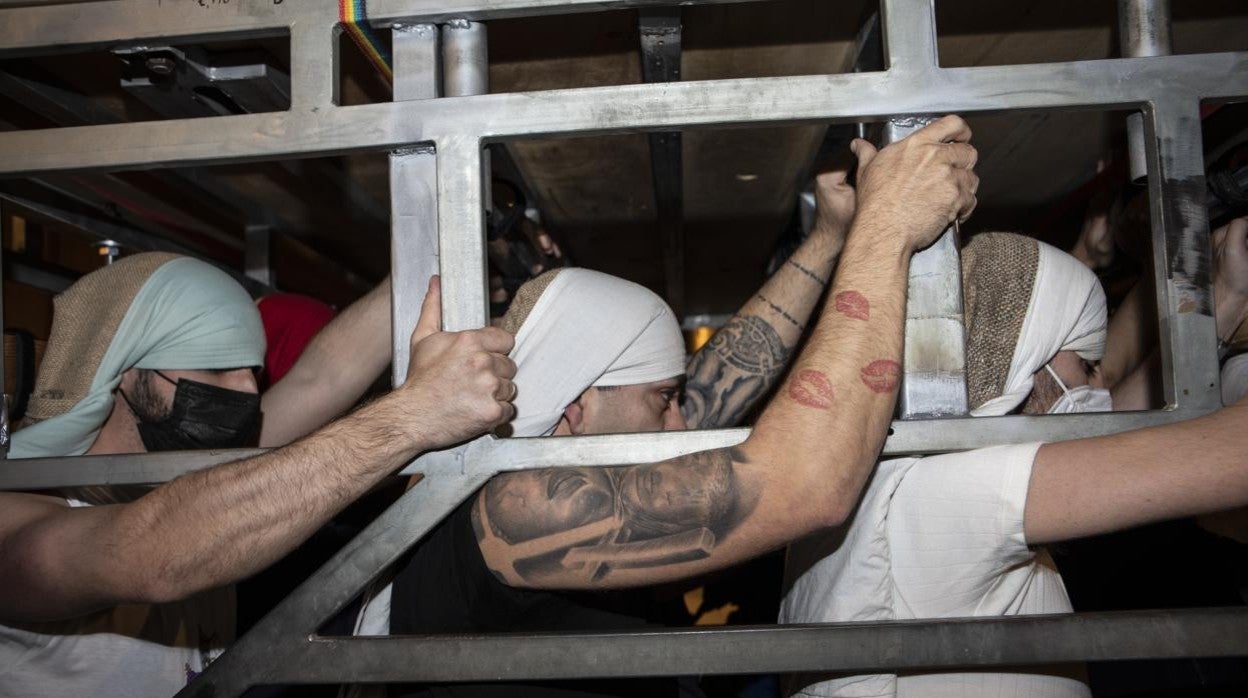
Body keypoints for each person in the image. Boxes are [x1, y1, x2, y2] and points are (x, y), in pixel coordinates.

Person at [370, 116, 981, 698]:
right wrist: (886, 230)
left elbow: (728, 375)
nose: (685, 423)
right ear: (575, 407)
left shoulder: (547, 466)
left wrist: (830, 238)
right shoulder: (512, 510)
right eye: (664, 399)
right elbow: (804, 485)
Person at [0, 253, 517, 697]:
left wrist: (430, 264)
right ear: (125, 371)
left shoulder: (190, 471)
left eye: (251, 369)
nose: (246, 392)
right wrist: (413, 414)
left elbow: (324, 375)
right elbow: (154, 553)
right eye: (217, 369)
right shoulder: (15, 511)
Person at [779, 230, 1248, 697]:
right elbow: (1225, 454)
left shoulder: (891, 474)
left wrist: (1223, 296)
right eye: (1086, 366)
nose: (1099, 382)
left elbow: (1111, 429)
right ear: (1025, 364)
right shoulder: (947, 495)